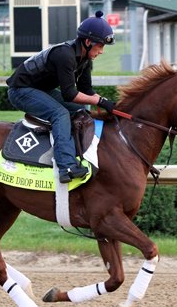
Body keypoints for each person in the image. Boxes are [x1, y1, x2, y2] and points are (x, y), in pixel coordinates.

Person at [6, 10, 116, 184]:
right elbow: (70, 94)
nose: (101, 51)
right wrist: (99, 101)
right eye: (100, 46)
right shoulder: (65, 55)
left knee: (82, 110)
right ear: (88, 42)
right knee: (60, 113)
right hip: (21, 90)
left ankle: (79, 153)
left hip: (41, 90)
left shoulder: (85, 59)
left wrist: (108, 103)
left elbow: (86, 89)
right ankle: (66, 166)